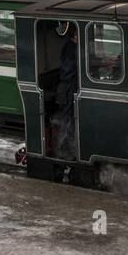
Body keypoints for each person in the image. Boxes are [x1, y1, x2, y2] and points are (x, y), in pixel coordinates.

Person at [54, 23, 78, 157]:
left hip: (70, 87)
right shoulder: (69, 47)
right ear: (75, 34)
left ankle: (69, 146)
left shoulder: (73, 46)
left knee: (70, 119)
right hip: (67, 88)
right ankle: (63, 150)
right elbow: (69, 69)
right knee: (67, 120)